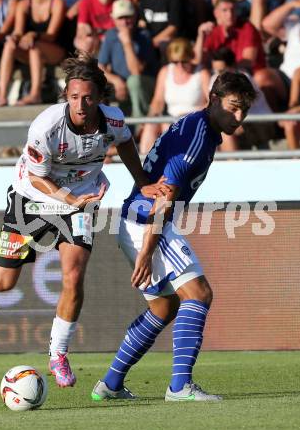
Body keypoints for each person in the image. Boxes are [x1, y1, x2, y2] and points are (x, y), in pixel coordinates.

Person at [0, 53, 168, 388]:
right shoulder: (46, 127)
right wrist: (70, 199)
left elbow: (127, 145)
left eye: (87, 97)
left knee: (73, 274)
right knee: (1, 284)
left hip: (79, 204)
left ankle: (58, 353)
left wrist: (142, 181)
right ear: (65, 97)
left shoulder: (113, 121)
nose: (81, 105)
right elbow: (39, 178)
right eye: (73, 98)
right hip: (34, 198)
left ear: (100, 97)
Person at [91, 71, 257, 402]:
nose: (239, 117)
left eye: (244, 110)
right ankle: (180, 387)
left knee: (163, 308)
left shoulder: (198, 125)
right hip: (147, 223)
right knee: (199, 293)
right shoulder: (197, 140)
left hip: (134, 220)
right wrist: (146, 250)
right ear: (213, 99)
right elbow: (162, 199)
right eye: (234, 107)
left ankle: (109, 384)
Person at [139, 37, 210, 154]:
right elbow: (158, 101)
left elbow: (211, 103)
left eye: (184, 61)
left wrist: (191, 116)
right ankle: (144, 166)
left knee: (172, 127)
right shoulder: (165, 71)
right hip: (171, 121)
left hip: (196, 121)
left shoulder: (202, 73)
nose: (180, 66)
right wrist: (148, 119)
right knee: (150, 126)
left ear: (191, 57)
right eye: (175, 62)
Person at [0, 0, 66, 106]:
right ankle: (2, 96)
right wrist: (14, 38)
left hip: (55, 50)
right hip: (32, 49)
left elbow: (52, 35)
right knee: (9, 45)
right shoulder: (23, 4)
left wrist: (34, 34)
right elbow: (18, 31)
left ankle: (35, 95)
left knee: (35, 47)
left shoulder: (57, 3)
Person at [98, 0, 158, 120]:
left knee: (134, 81)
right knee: (96, 84)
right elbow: (100, 66)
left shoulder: (144, 35)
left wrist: (127, 42)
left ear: (135, 16)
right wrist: (115, 80)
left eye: (128, 17)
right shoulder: (111, 35)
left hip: (144, 84)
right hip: (120, 83)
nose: (124, 22)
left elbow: (136, 71)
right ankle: (102, 127)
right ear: (113, 19)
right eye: (120, 18)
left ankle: (139, 125)